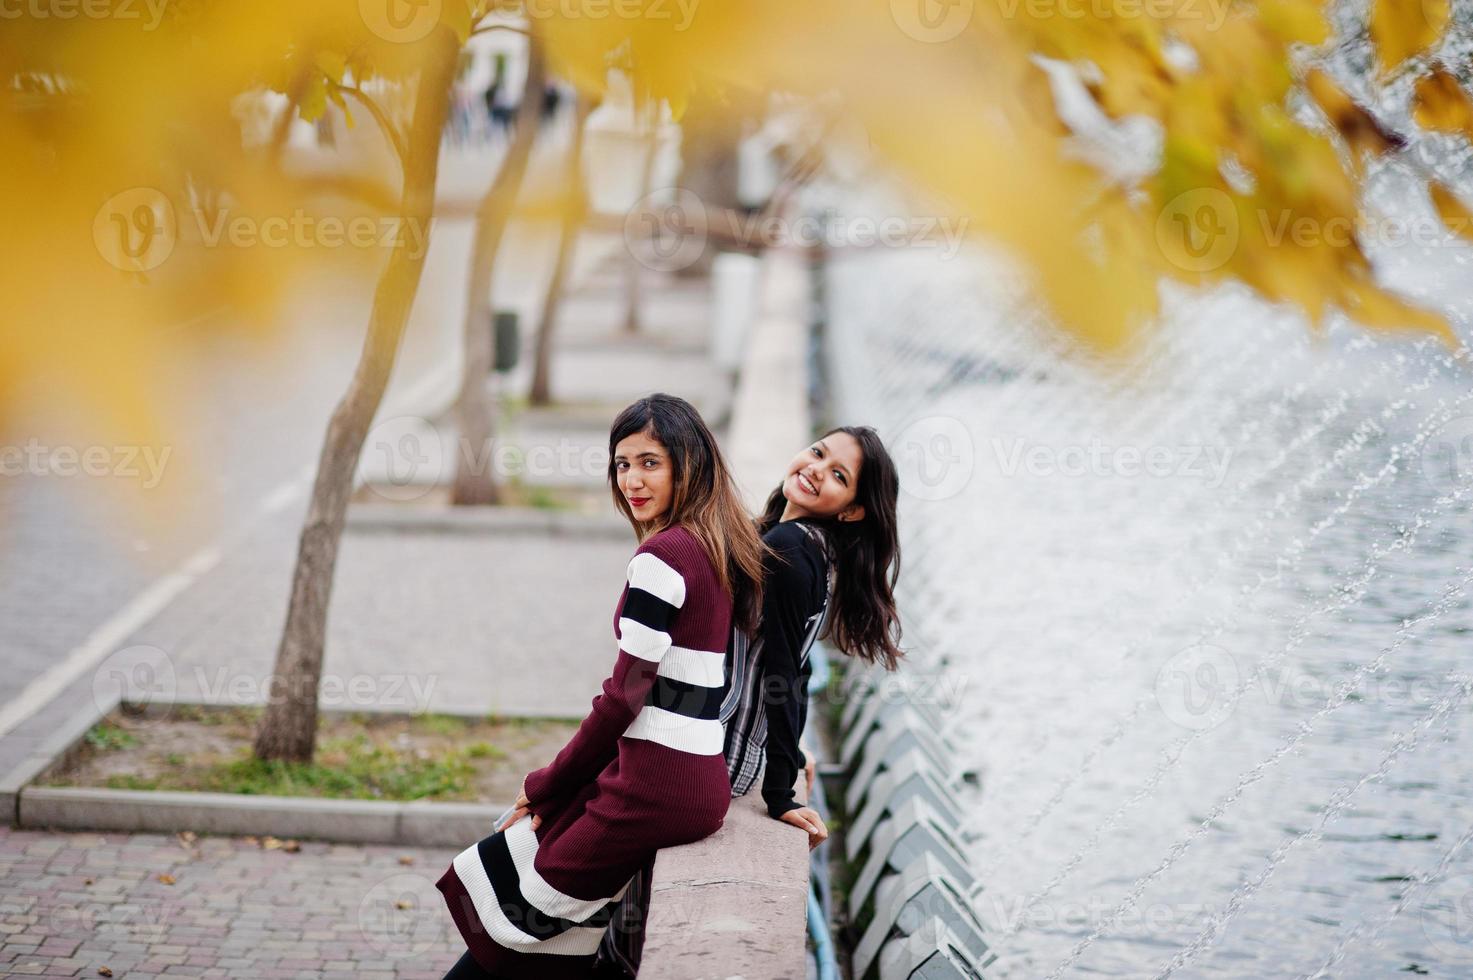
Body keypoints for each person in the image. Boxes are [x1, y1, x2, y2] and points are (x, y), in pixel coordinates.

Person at [436, 393, 766, 980]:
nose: (632, 480)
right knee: (566, 925)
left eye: (649, 462)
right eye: (622, 464)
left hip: (656, 789)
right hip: (695, 783)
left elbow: (625, 696)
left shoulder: (662, 558)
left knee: (518, 916)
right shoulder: (713, 546)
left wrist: (543, 781)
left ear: (688, 465)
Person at [593, 425, 905, 977]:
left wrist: (781, 791)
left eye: (838, 476)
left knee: (624, 903)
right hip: (731, 743)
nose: (815, 469)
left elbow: (785, 671)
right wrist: (787, 758)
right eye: (818, 453)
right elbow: (800, 664)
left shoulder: (789, 549)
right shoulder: (806, 545)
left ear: (853, 510)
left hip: (717, 746)